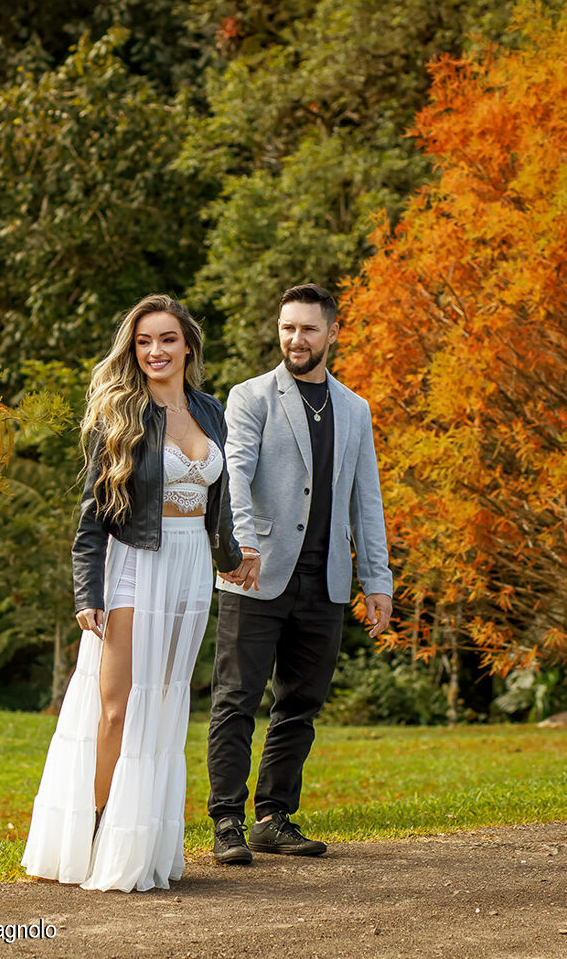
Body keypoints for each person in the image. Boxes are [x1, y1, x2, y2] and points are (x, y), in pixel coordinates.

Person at [21, 295, 250, 891]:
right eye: (144, 341)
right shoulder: (119, 415)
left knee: (168, 710)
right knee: (117, 708)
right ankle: (95, 834)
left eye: (167, 340)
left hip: (192, 572)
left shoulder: (211, 411)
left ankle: (143, 842)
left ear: (188, 346)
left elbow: (214, 508)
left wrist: (232, 559)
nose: (155, 351)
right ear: (133, 348)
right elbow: (92, 517)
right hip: (133, 566)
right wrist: (85, 593)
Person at [206, 282, 393, 864]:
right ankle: (228, 822)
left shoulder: (355, 409)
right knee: (236, 698)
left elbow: (367, 499)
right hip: (256, 575)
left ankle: (273, 816)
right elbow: (234, 472)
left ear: (332, 333)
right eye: (288, 327)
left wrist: (378, 581)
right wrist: (241, 547)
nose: (296, 339)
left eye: (308, 328)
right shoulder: (250, 397)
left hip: (326, 580)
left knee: (300, 704)